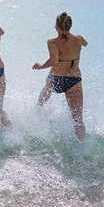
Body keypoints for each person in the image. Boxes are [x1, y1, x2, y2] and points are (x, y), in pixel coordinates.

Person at [33, 12, 88, 141]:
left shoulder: (52, 42)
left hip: (57, 78)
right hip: (74, 80)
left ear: (57, 27)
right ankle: (82, 147)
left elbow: (53, 61)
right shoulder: (78, 39)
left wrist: (40, 66)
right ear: (70, 26)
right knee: (78, 118)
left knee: (43, 96)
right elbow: (86, 43)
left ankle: (35, 114)